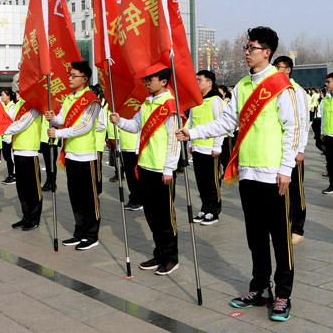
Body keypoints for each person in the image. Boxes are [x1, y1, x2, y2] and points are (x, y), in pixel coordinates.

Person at [176, 26, 299, 322]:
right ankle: (259, 288)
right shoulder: (243, 85)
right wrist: (191, 133)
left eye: (251, 47)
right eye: (246, 46)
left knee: (280, 239)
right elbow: (226, 122)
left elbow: (293, 129)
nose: (246, 51)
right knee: (255, 237)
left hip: (273, 175)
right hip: (248, 173)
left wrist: (285, 170)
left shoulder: (281, 85)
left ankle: (282, 294)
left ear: (266, 52)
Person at [112, 68, 181, 275]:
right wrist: (119, 121)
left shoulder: (170, 105)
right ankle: (159, 253)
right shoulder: (147, 102)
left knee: (165, 217)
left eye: (150, 79)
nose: (147, 83)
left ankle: (171, 258)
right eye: (146, 80)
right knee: (151, 215)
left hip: (162, 170)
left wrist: (169, 168)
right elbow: (135, 126)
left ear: (163, 81)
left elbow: (174, 139)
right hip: (145, 166)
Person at [46, 62, 103, 250]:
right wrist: (53, 118)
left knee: (89, 198)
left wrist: (59, 133)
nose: (69, 78)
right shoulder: (69, 97)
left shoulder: (91, 100)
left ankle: (91, 235)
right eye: (69, 75)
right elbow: (63, 119)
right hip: (71, 155)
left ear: (84, 79)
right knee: (76, 197)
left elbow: (84, 126)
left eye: (73, 75)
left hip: (87, 156)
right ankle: (79, 232)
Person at [273, 56, 310, 244]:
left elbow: (303, 123)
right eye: (276, 67)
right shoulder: (271, 88)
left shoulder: (298, 91)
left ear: (288, 70)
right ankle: (280, 226)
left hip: (293, 150)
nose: (278, 70)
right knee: (278, 190)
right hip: (276, 150)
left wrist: (300, 149)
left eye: (281, 67)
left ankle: (297, 228)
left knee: (295, 190)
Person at [187, 70, 224, 226]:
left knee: (212, 182)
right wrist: (190, 143)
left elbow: (221, 123)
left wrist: (217, 146)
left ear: (209, 82)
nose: (197, 83)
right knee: (201, 182)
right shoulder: (196, 101)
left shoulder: (215, 100)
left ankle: (213, 211)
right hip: (197, 148)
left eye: (199, 80)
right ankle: (204, 208)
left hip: (210, 150)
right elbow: (190, 123)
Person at [3, 94, 44, 231]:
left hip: (30, 150)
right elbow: (10, 120)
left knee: (33, 188)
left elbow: (22, 124)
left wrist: (0, 129)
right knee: (22, 188)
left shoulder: (35, 104)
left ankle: (34, 218)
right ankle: (26, 216)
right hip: (18, 149)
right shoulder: (18, 104)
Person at [0, 89, 18, 184]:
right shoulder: (3, 106)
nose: (1, 97)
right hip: (3, 136)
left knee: (11, 157)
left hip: (9, 136)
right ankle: (10, 174)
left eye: (3, 95)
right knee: (6, 157)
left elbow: (8, 119)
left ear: (8, 96)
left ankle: (13, 175)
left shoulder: (12, 107)